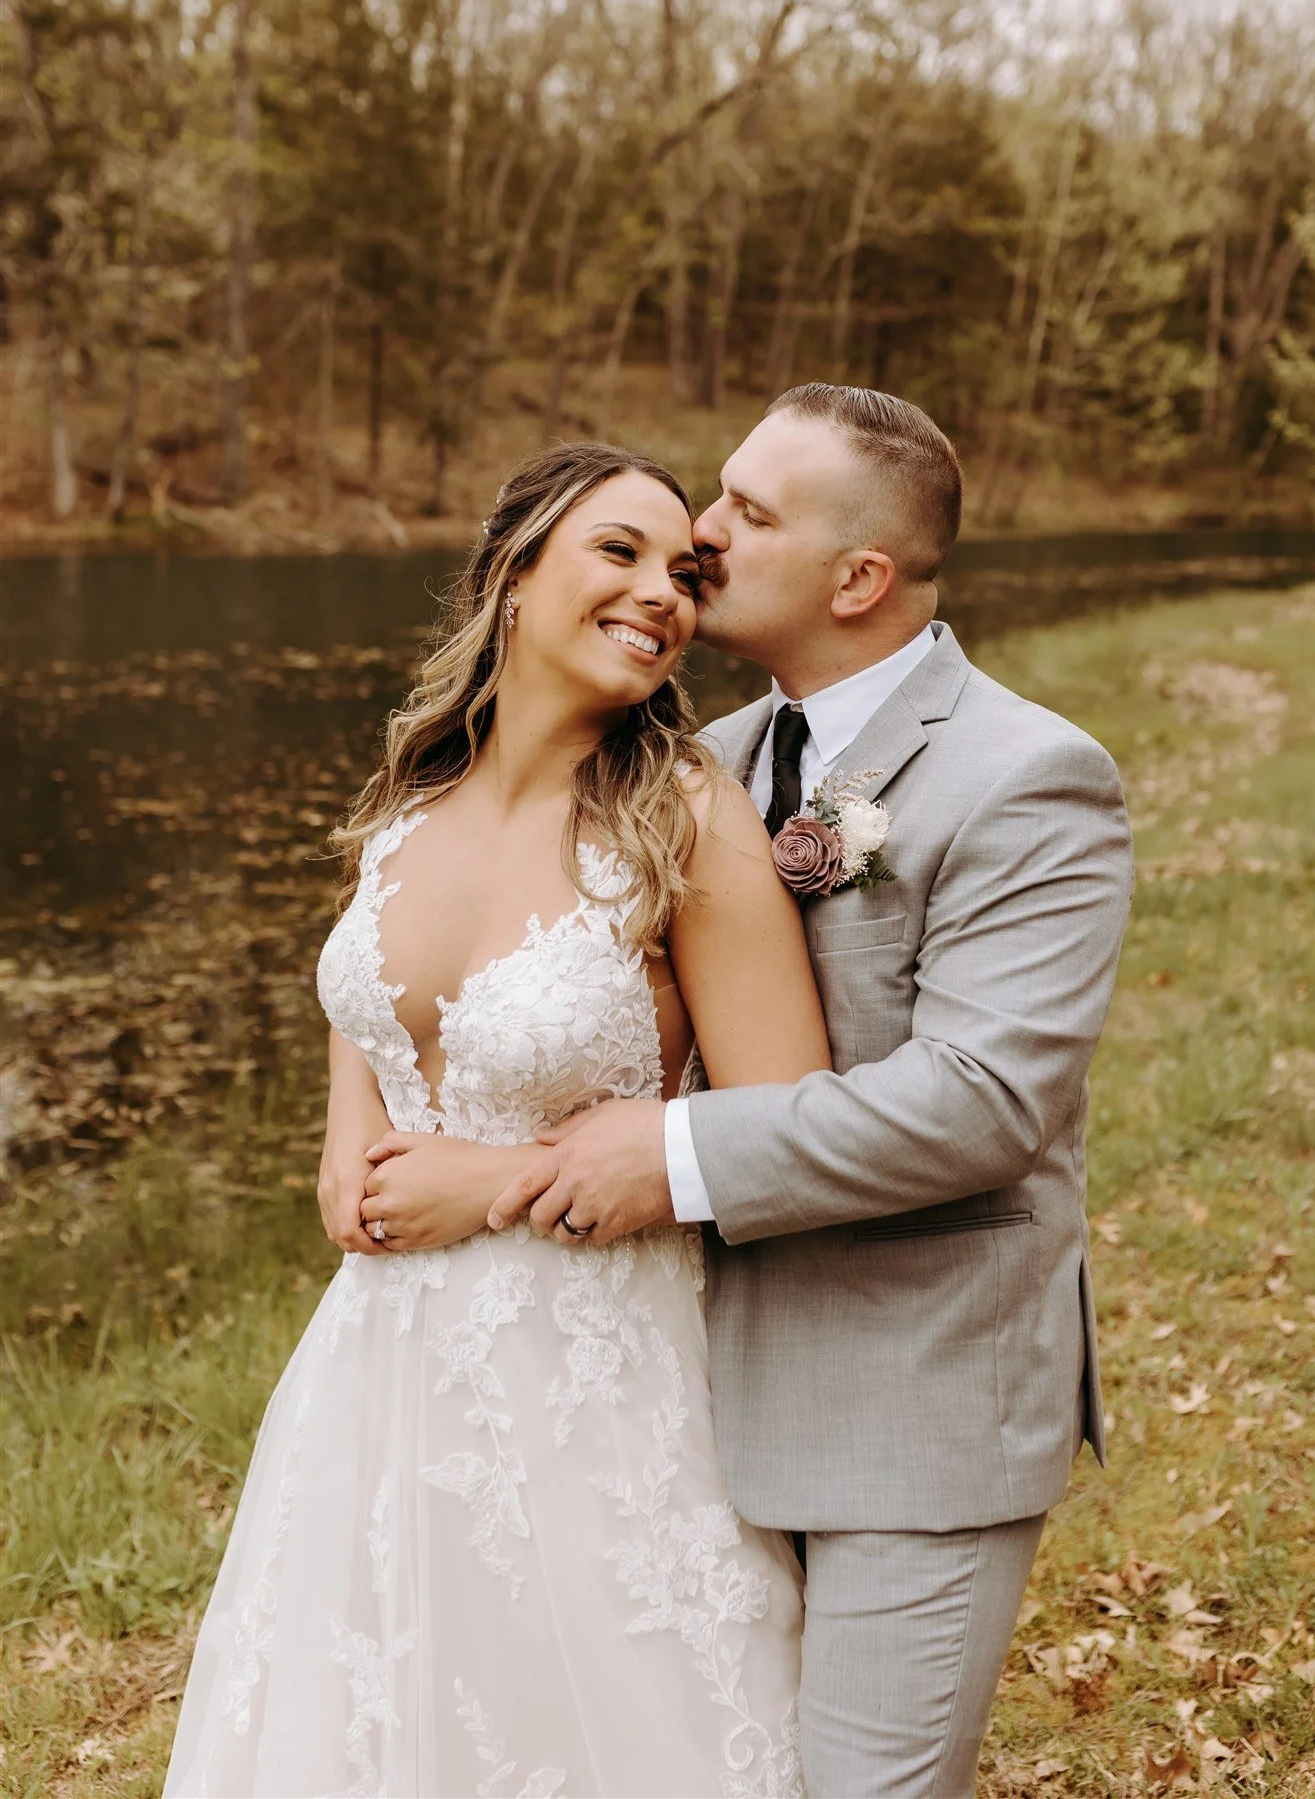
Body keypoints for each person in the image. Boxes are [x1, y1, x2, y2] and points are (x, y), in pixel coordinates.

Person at [482, 385, 1136, 1798]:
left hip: (917, 1394)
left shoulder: (1028, 777)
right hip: (689, 1398)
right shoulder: (705, 764)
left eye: (747, 513)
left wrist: (671, 1152)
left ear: (860, 577)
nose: (699, 536)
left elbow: (980, 1104)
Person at [163, 444, 828, 1798]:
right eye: (621, 552)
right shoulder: (408, 805)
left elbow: (784, 1127)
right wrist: (342, 1135)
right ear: (516, 578)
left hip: (597, 1378)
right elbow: (377, 1004)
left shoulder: (682, 817)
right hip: (379, 1363)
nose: (665, 594)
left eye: (687, 573)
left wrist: (496, 1182)